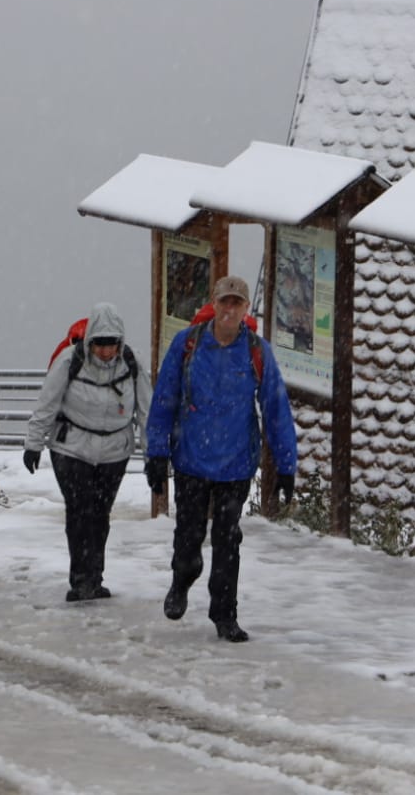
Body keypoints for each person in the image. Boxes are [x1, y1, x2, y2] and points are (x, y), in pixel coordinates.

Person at [145, 275, 298, 643]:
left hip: (236, 464)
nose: (230, 309)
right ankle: (182, 579)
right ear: (214, 304)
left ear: (246, 308)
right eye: (224, 302)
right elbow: (164, 399)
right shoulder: (188, 344)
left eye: (237, 303)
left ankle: (224, 614)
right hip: (191, 458)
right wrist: (156, 453)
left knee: (228, 541)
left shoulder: (257, 351)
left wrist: (286, 464)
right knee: (189, 536)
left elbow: (275, 408)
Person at [24, 303, 153, 602]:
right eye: (100, 344)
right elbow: (47, 403)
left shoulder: (131, 364)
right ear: (90, 341)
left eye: (111, 344)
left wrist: (153, 456)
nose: (106, 351)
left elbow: (147, 412)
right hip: (71, 448)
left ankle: (95, 577)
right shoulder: (70, 361)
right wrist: (33, 444)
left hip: (114, 452)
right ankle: (81, 579)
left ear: (119, 342)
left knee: (100, 514)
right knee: (80, 511)